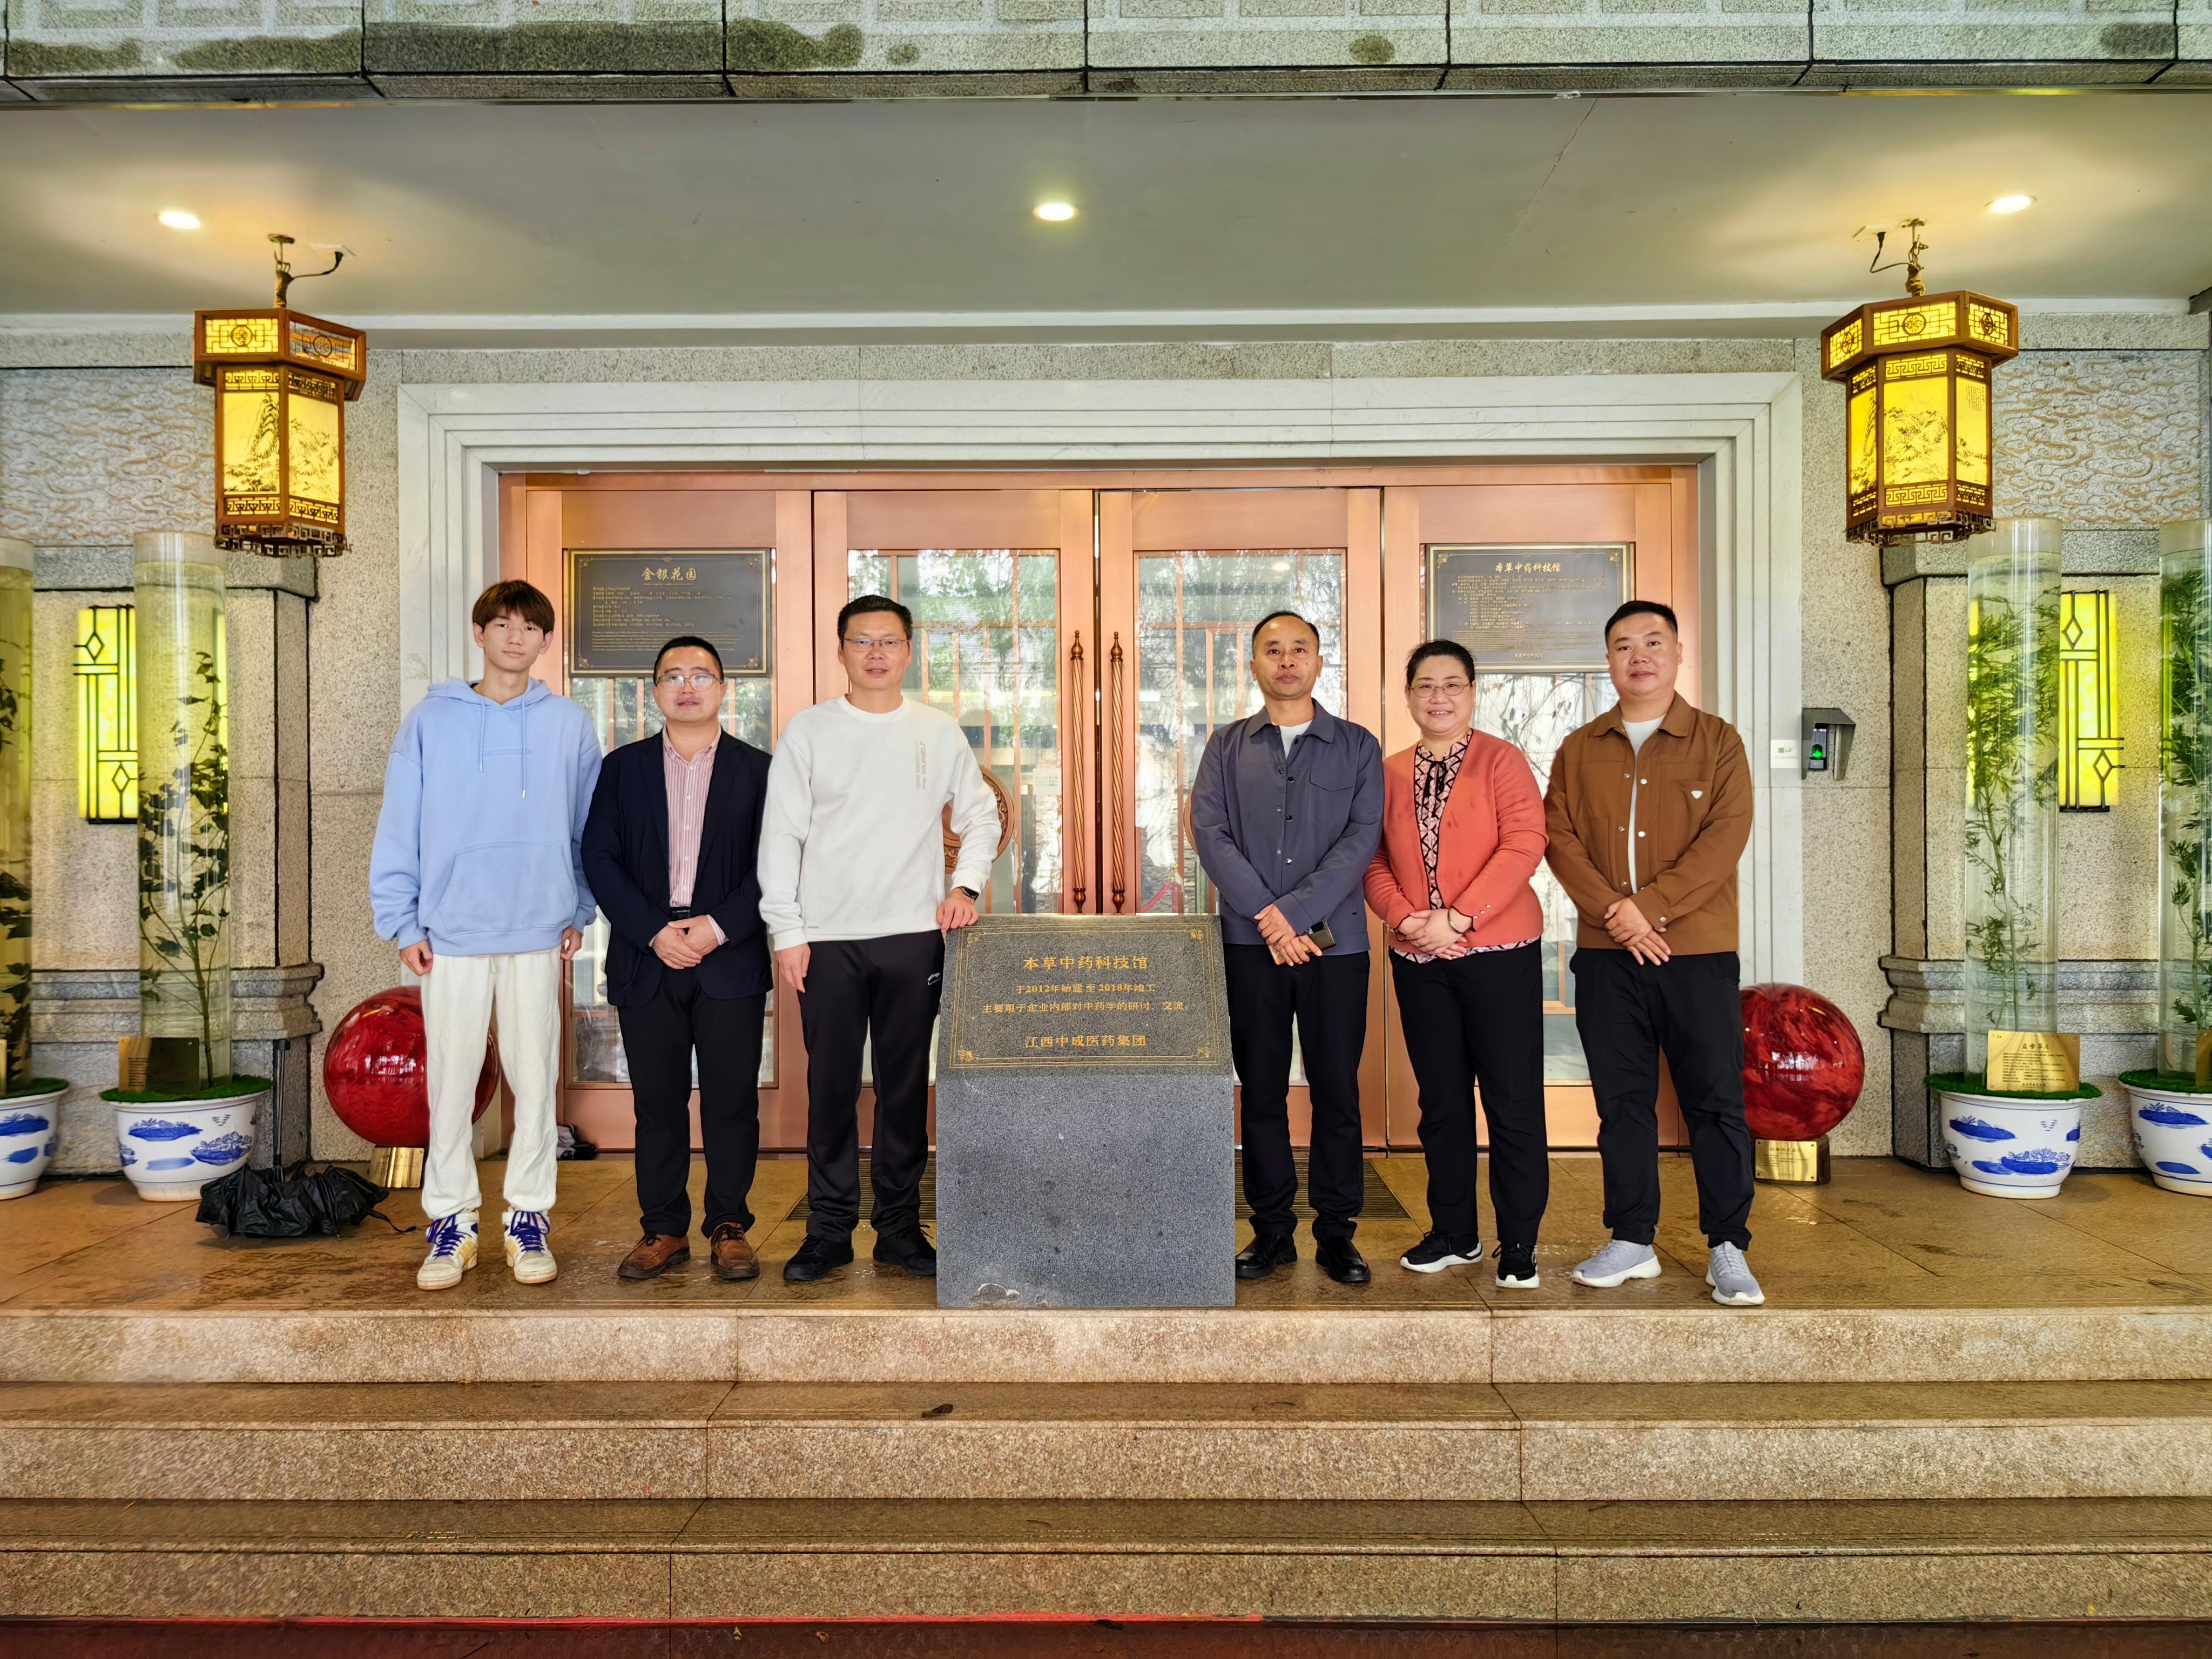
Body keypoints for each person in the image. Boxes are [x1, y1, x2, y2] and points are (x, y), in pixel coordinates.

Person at [758, 595, 1001, 1284]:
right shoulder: (809, 731)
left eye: (889, 641)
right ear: (839, 651)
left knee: (904, 1089)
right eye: (861, 641)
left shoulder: (936, 730)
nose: (875, 653)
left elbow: (980, 816)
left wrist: (965, 888)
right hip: (826, 940)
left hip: (913, 936)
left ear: (908, 652)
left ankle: (898, 1229)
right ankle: (828, 1231)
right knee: (831, 1089)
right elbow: (782, 834)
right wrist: (787, 930)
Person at [369, 578, 602, 1292]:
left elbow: (587, 826)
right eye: (501, 624)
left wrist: (579, 907)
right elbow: (399, 824)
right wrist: (402, 920)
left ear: (545, 640)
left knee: (535, 1083)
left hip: (538, 928)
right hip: (451, 932)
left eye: (529, 627)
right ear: (479, 634)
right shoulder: (429, 721)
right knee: (450, 1084)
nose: (514, 637)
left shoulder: (568, 724)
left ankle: (528, 1217)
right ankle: (452, 1222)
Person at [1542, 599, 1761, 1307]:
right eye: (1623, 645)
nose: (1638, 656)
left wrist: (1651, 909)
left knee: (1715, 1101)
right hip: (1608, 958)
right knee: (1623, 1103)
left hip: (1696, 953)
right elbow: (1559, 841)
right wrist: (1619, 916)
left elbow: (1725, 837)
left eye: (1652, 642)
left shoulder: (1717, 741)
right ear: (1608, 660)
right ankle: (1632, 1238)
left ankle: (1728, 1246)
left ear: (1677, 653)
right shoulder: (1579, 748)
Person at [1191, 610, 1384, 1286]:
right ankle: (1271, 1230)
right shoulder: (1225, 746)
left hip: (1336, 947)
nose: (1286, 660)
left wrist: (1292, 915)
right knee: (1262, 1089)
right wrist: (1269, 919)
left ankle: (1337, 1233)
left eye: (1299, 649)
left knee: (1336, 1090)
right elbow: (1210, 833)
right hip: (1251, 946)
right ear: (1253, 665)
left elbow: (1361, 838)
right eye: (1272, 650)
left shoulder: (1357, 746)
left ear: (1319, 663)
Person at [581, 635, 774, 1284]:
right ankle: (663, 1228)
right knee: (657, 1104)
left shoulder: (760, 770)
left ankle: (729, 1226)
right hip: (647, 956)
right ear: (655, 690)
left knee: (730, 1102)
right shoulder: (622, 768)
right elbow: (599, 857)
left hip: (729, 956)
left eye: (700, 675)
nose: (687, 687)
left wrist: (717, 928)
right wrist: (650, 931)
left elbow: (777, 863)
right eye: (673, 676)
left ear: (723, 688)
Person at [1364, 640, 1551, 1288]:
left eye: (1451, 684)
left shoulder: (1502, 760)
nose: (1437, 696)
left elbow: (1525, 841)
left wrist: (1460, 918)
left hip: (1499, 954)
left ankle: (1518, 1242)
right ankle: (1454, 1233)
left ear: (1472, 692)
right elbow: (1371, 858)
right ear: (1407, 695)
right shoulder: (1386, 772)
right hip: (1419, 959)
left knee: (1511, 1100)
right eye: (1425, 685)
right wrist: (1406, 919)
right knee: (1441, 1100)